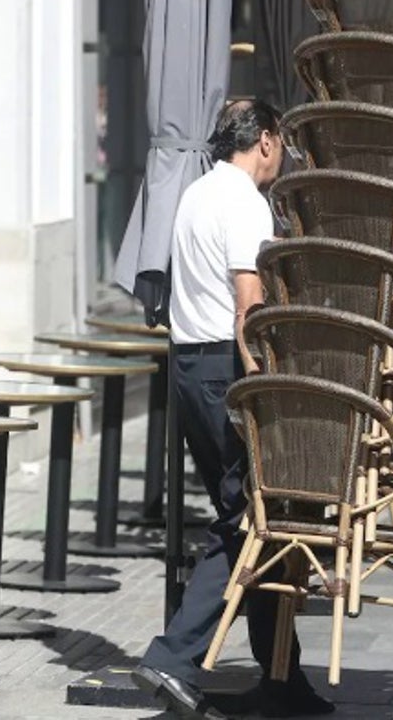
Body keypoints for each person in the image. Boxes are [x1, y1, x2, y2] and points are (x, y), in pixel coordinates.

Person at [132, 101, 333, 720]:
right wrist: (261, 382)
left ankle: (281, 677)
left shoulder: (194, 192)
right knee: (252, 520)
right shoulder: (245, 199)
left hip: (192, 365)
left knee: (249, 514)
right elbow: (249, 300)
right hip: (229, 366)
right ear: (267, 141)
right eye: (283, 149)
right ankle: (173, 656)